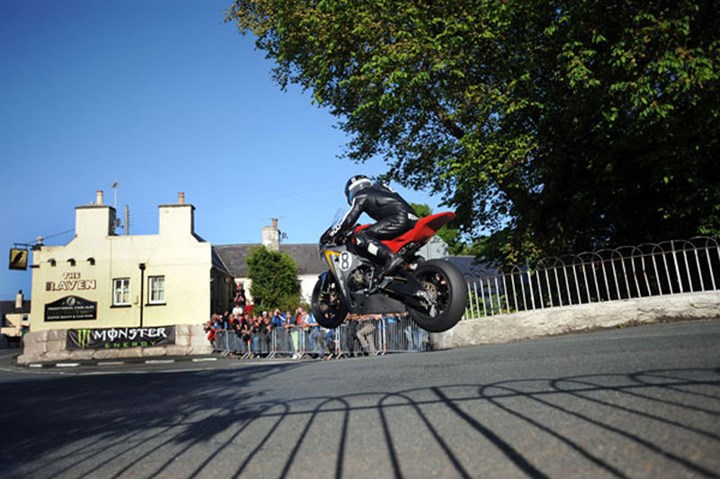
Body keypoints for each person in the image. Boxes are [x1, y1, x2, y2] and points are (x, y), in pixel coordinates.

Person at [322, 175, 419, 279]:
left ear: (353, 189)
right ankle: (410, 264)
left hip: (398, 218)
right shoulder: (380, 189)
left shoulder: (361, 195)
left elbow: (349, 219)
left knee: (361, 236)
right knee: (377, 236)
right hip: (412, 219)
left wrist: (332, 233)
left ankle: (390, 257)